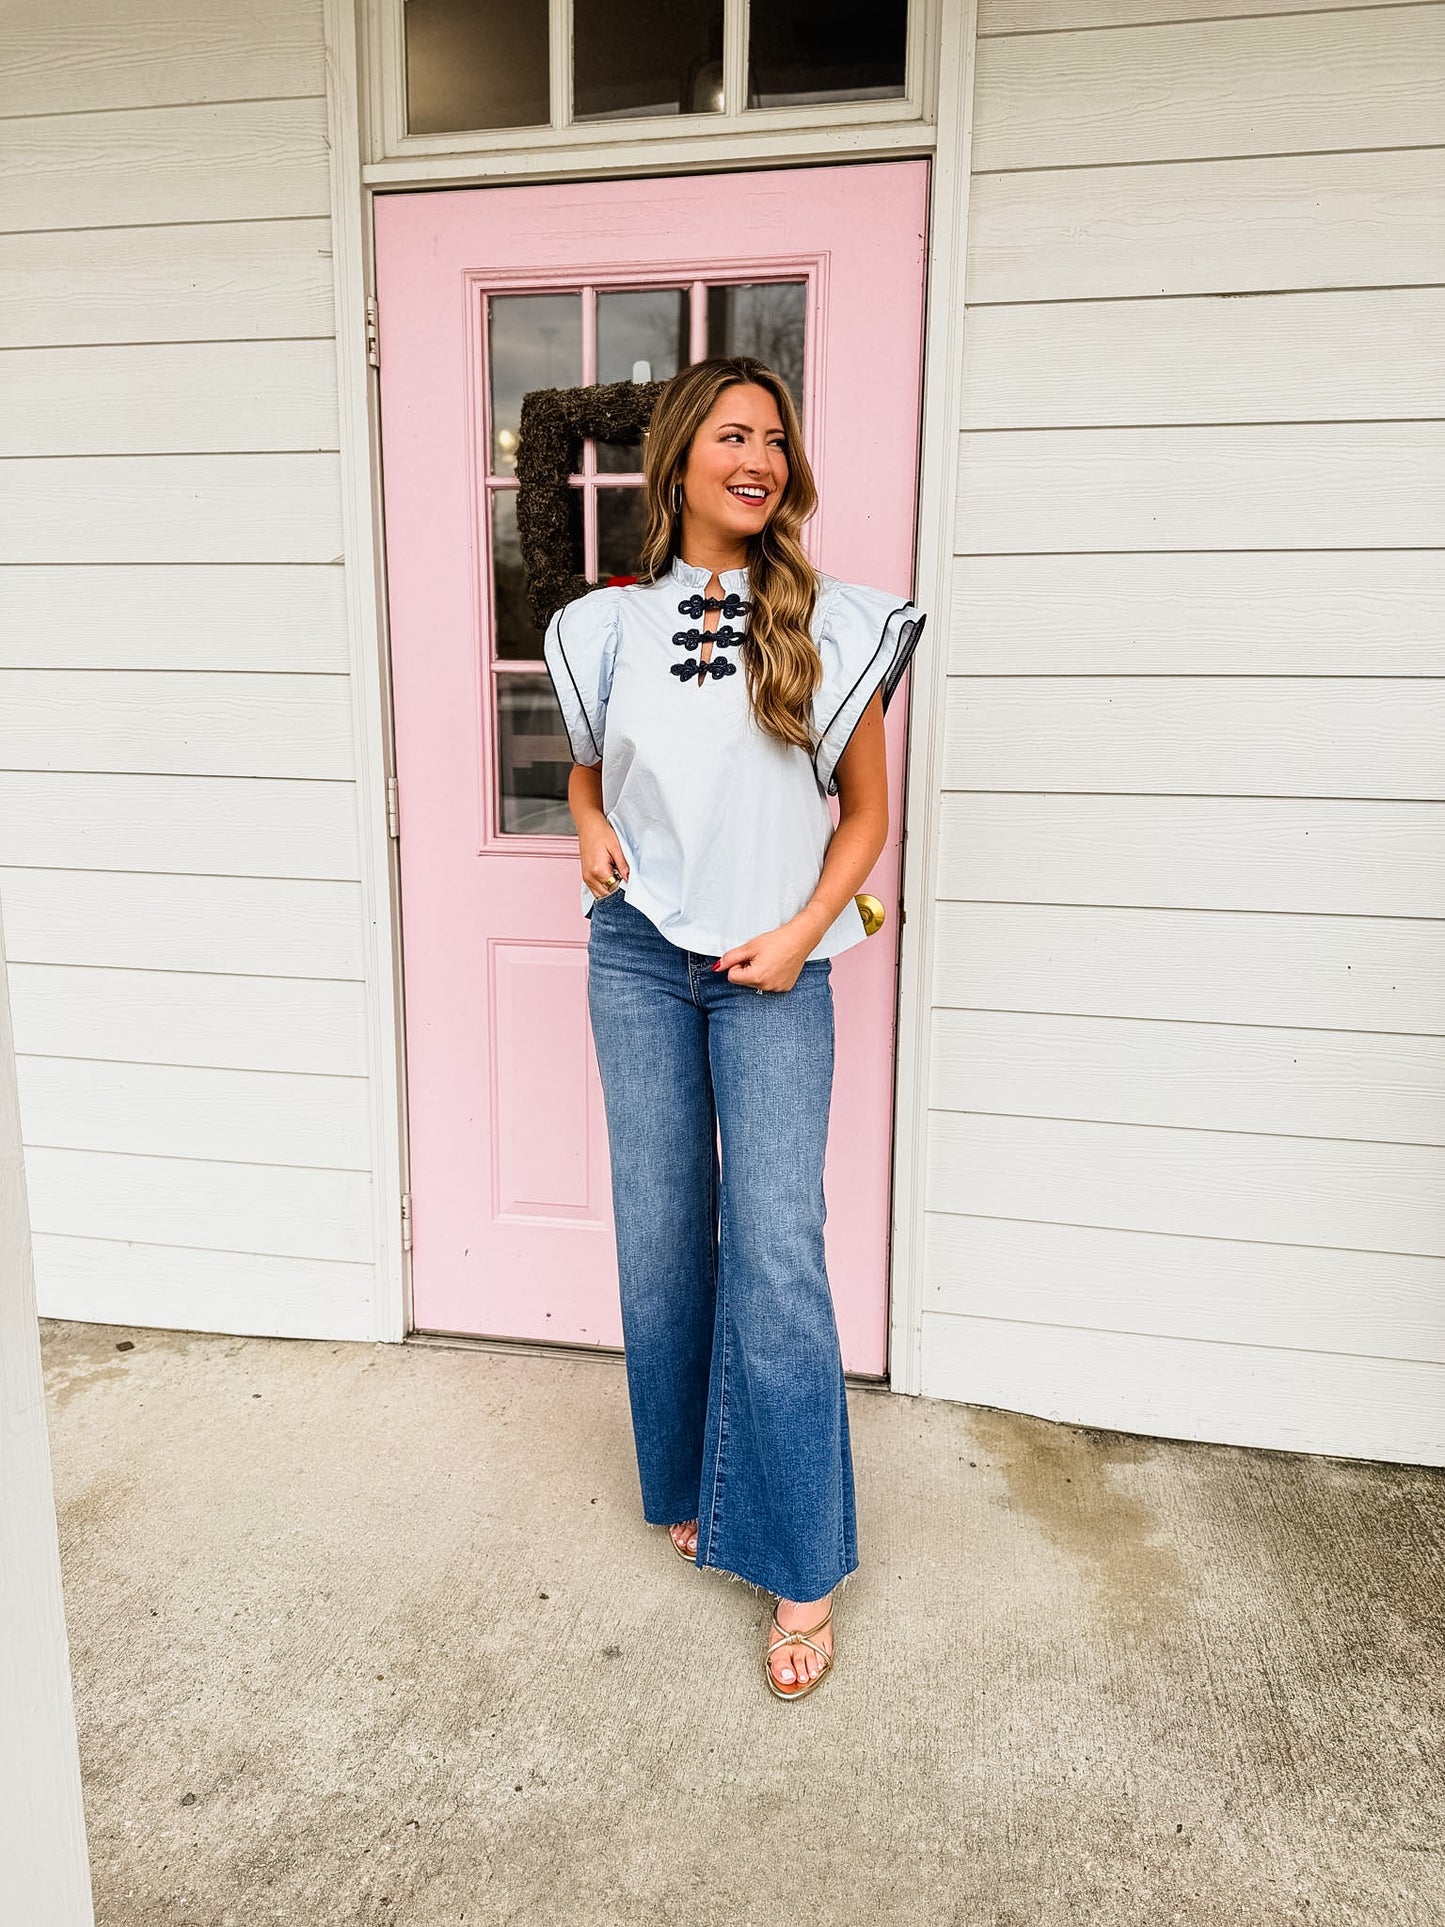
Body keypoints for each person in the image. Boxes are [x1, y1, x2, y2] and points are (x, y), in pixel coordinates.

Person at [542, 354, 925, 1701]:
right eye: (731, 434)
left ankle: (801, 1563)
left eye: (774, 437)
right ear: (679, 459)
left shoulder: (834, 621)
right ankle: (687, 1481)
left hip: (773, 966)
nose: (757, 456)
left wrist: (804, 927)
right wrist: (589, 832)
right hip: (637, 956)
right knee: (658, 1232)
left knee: (773, 1251)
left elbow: (868, 818)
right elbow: (589, 775)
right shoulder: (599, 629)